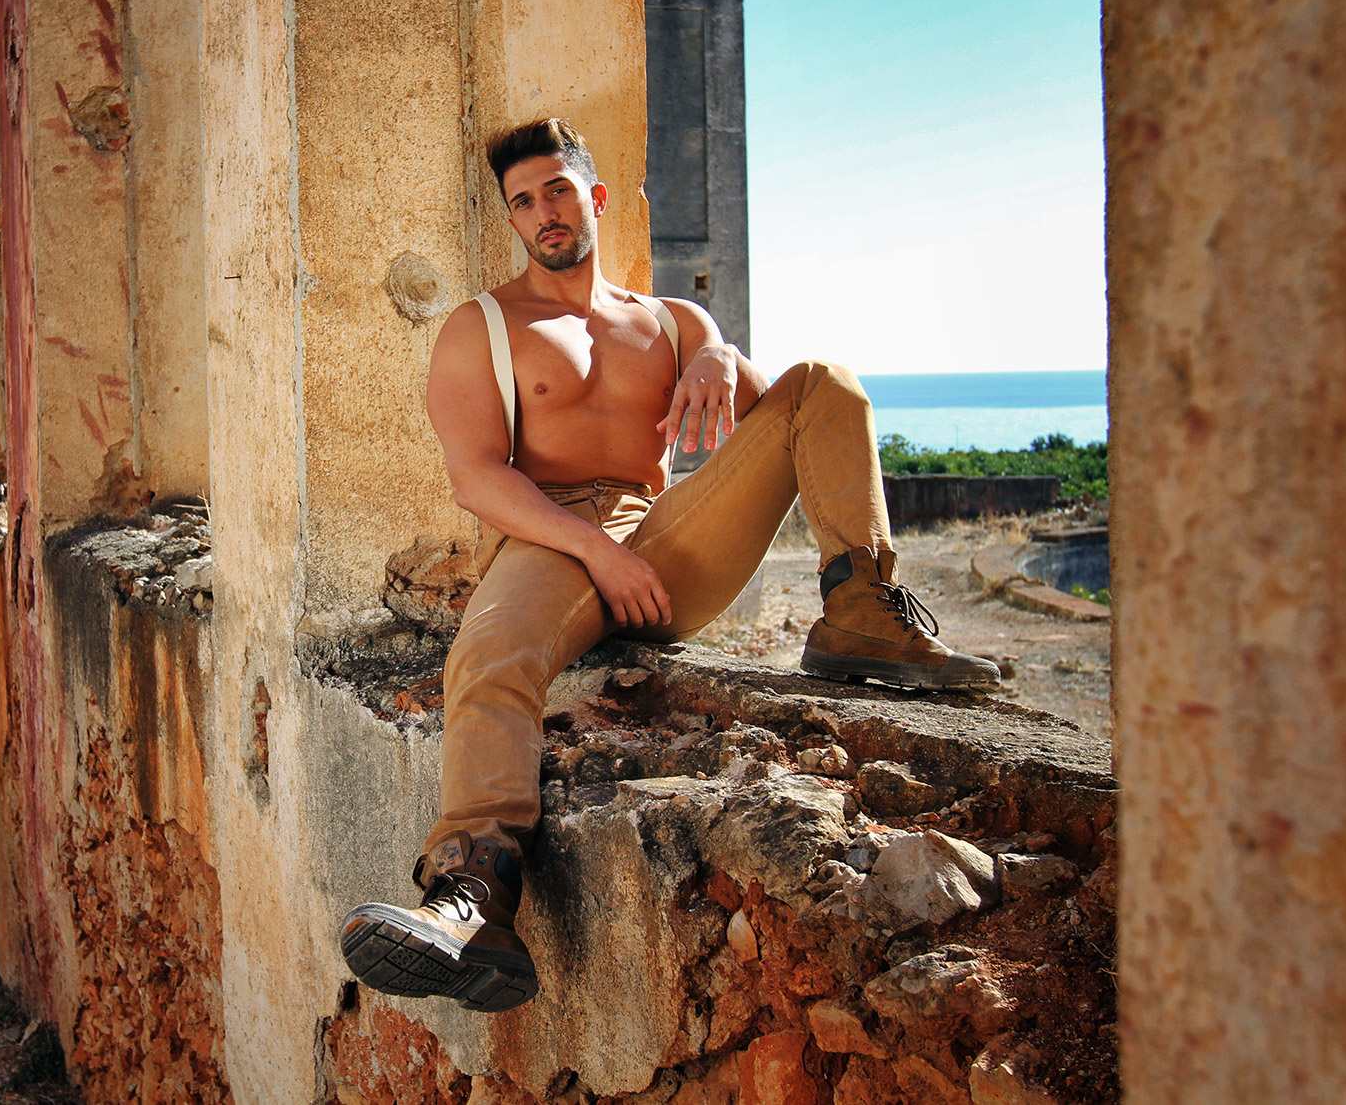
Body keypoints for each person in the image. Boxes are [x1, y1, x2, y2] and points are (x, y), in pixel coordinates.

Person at [337, 118, 997, 1014]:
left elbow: (781, 423)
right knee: (489, 658)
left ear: (595, 196)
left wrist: (721, 352)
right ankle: (474, 897)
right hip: (548, 534)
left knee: (827, 381)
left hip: (659, 533)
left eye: (558, 190)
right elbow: (477, 477)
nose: (544, 212)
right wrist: (595, 552)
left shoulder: (674, 323)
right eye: (523, 201)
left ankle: (862, 609)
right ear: (513, 219)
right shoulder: (481, 326)